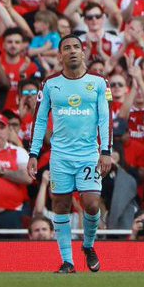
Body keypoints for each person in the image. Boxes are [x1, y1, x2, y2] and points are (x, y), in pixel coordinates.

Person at [27, 35, 113, 274]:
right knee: (61, 205)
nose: (73, 51)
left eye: (76, 47)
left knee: (92, 203)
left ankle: (88, 245)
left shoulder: (98, 82)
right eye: (67, 48)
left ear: (83, 52)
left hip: (88, 154)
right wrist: (33, 153)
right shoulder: (50, 84)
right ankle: (68, 261)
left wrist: (106, 151)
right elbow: (40, 120)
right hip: (60, 156)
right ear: (60, 55)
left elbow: (106, 118)